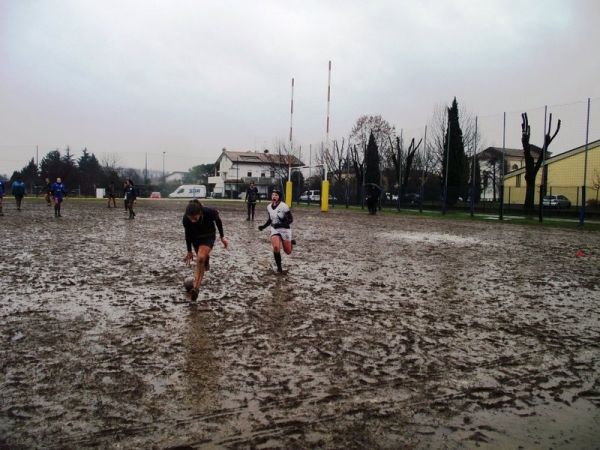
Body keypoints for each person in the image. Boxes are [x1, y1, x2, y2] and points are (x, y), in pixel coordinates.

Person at [182, 199, 228, 300]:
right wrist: (189, 251)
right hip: (195, 239)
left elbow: (218, 220)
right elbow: (188, 235)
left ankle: (196, 289)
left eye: (195, 218)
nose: (193, 220)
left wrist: (222, 237)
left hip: (208, 236)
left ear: (200, 213)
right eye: (191, 218)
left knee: (200, 258)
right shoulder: (185, 219)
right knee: (202, 259)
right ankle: (206, 259)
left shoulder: (209, 212)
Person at [258, 189, 294, 273]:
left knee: (288, 252)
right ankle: (279, 268)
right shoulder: (268, 207)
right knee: (276, 247)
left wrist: (282, 224)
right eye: (273, 195)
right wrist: (263, 226)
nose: (274, 196)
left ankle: (291, 243)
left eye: (276, 195)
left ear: (279, 197)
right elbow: (270, 220)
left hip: (285, 230)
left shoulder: (284, 206)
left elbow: (291, 219)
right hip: (274, 229)